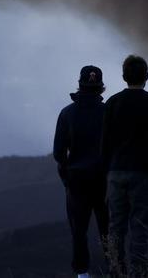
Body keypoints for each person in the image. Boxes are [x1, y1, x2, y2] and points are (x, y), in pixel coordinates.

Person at [101, 55, 148, 278]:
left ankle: (115, 270)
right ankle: (139, 272)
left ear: (124, 76)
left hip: (116, 172)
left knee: (116, 225)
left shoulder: (113, 103)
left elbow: (104, 143)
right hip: (144, 171)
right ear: (146, 76)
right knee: (140, 227)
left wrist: (108, 171)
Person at [53, 65, 110, 278]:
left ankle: (82, 273)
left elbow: (59, 152)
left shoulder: (67, 113)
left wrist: (66, 174)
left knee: (79, 230)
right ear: (101, 88)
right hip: (104, 179)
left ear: (80, 84)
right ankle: (113, 268)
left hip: (77, 180)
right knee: (108, 229)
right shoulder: (108, 112)